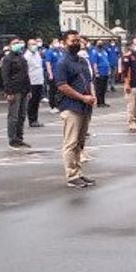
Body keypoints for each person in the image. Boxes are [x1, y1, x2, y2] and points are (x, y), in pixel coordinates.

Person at [54, 29, 97, 188]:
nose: (76, 44)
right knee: (70, 143)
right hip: (71, 106)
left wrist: (92, 96)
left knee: (80, 142)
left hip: (85, 106)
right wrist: (82, 97)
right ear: (64, 43)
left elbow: (88, 80)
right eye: (73, 41)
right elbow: (62, 86)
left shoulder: (82, 61)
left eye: (78, 40)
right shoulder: (62, 62)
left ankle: (78, 172)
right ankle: (72, 176)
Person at [0, 37, 31, 149]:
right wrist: (9, 91)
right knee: (13, 116)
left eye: (18, 42)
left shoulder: (22, 57)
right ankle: (12, 139)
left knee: (22, 115)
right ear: (10, 45)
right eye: (14, 43)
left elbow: (26, 74)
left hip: (24, 89)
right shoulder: (8, 59)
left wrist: (28, 90)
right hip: (14, 90)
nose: (17, 45)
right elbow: (5, 77)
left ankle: (19, 137)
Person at [120, 39, 136, 132]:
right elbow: (125, 72)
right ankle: (131, 121)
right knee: (131, 104)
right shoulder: (126, 57)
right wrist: (126, 84)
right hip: (131, 83)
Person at [23, 38, 45, 128]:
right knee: (32, 101)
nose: (34, 46)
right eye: (32, 44)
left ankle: (35, 119)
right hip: (31, 81)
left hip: (39, 80)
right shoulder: (26, 56)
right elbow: (26, 70)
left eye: (35, 44)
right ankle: (32, 120)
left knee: (36, 101)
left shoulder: (37, 54)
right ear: (28, 46)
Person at [44, 38, 65, 111]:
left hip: (60, 74)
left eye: (57, 42)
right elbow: (48, 63)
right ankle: (53, 106)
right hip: (54, 74)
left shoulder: (60, 51)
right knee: (53, 91)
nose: (57, 43)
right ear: (51, 44)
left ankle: (59, 105)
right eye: (55, 42)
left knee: (60, 90)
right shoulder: (49, 52)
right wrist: (50, 74)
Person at [89, 40, 111, 108]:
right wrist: (96, 72)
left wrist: (109, 70)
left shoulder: (104, 51)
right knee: (99, 88)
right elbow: (94, 63)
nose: (100, 44)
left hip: (106, 72)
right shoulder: (94, 52)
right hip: (100, 72)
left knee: (104, 88)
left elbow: (107, 61)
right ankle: (99, 102)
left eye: (101, 42)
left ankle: (103, 102)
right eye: (99, 43)